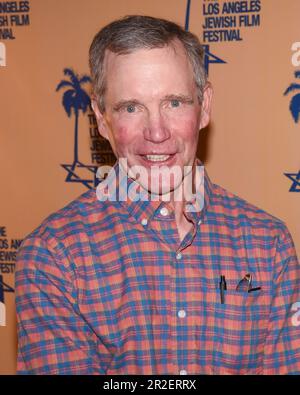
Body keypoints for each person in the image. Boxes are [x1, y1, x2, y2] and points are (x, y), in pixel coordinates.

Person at [15, 15, 300, 375]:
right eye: (131, 108)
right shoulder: (55, 256)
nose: (157, 132)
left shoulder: (268, 243)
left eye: (174, 103)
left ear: (205, 105)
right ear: (101, 118)